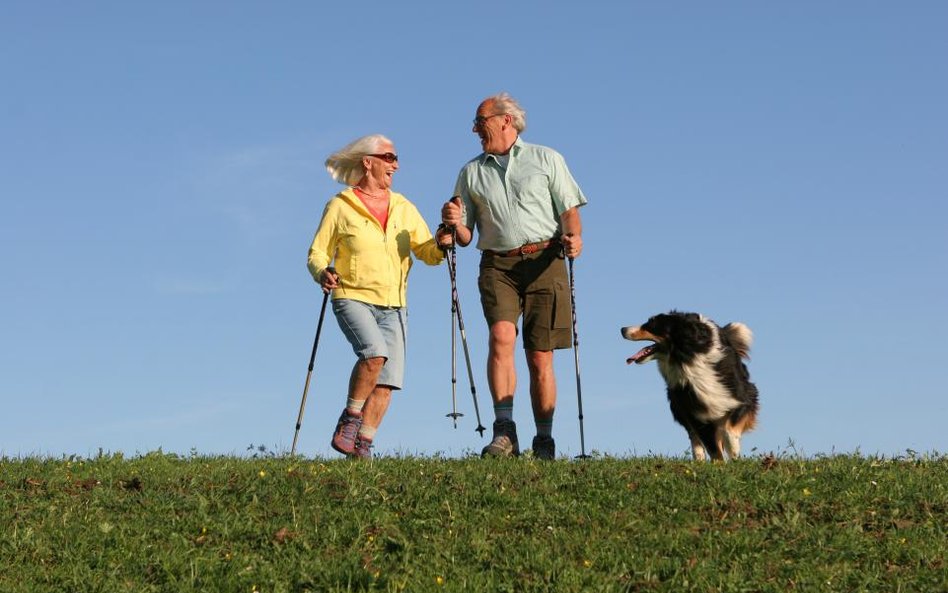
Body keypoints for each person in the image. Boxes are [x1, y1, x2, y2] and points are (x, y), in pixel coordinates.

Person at [441, 92, 588, 460]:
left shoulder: (547, 158)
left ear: (506, 120)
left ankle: (544, 440)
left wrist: (575, 237)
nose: (475, 128)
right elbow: (465, 235)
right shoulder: (470, 172)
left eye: (481, 120)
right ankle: (504, 432)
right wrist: (452, 226)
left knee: (540, 356)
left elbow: (568, 212)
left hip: (546, 261)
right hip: (497, 265)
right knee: (501, 337)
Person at [308, 134, 449, 459]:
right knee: (374, 355)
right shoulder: (341, 206)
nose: (396, 165)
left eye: (395, 159)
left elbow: (427, 252)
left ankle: (363, 447)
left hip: (395, 303)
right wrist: (322, 272)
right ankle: (351, 419)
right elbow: (316, 253)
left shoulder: (403, 207)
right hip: (352, 295)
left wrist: (442, 243)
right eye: (389, 157)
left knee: (387, 383)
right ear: (367, 161)